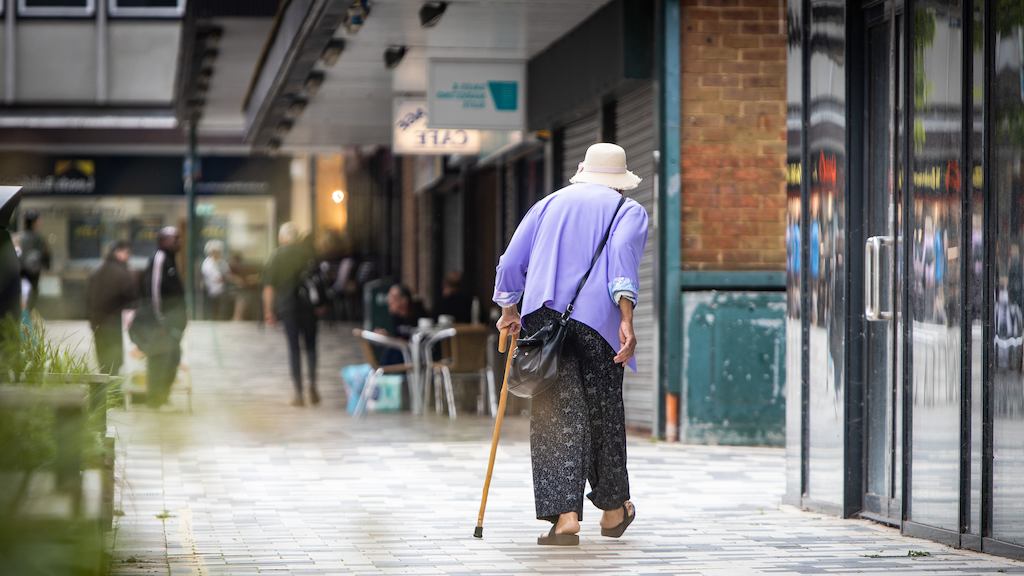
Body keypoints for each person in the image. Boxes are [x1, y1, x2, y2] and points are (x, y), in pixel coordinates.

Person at [493, 142, 648, 546]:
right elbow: (621, 265)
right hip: (600, 325)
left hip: (544, 320)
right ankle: (614, 511)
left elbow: (510, 264)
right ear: (621, 181)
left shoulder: (547, 205)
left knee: (555, 416)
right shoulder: (628, 211)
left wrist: (509, 310)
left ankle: (565, 519)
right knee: (603, 414)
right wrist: (627, 320)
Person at [263, 223, 320, 407]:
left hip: (288, 307)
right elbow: (319, 279)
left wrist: (268, 311)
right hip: (309, 306)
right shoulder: (308, 254)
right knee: (311, 346)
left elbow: (269, 287)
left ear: (282, 238)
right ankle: (312, 383)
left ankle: (298, 393)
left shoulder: (277, 256)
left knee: (294, 348)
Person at [141, 227, 187, 409]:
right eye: (174, 238)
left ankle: (162, 396)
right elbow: (154, 290)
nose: (178, 242)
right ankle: (155, 399)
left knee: (173, 358)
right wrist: (159, 319)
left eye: (179, 238)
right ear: (163, 241)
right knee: (159, 360)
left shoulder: (171, 259)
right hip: (162, 323)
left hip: (173, 323)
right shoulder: (160, 258)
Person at [87, 241, 137, 375]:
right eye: (126, 253)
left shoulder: (97, 271)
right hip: (114, 325)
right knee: (115, 364)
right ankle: (114, 393)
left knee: (103, 363)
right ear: (118, 253)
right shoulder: (122, 273)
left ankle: (102, 393)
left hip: (97, 323)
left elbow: (87, 299)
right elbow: (131, 300)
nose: (128, 257)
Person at [18, 210, 51, 312]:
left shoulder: (19, 237)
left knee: (23, 295)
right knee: (32, 296)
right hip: (33, 273)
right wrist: (47, 265)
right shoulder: (40, 239)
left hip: (21, 272)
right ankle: (27, 317)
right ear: (34, 222)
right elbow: (46, 255)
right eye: (38, 221)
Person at [201, 240, 234, 320]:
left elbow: (228, 273)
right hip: (212, 293)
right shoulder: (207, 264)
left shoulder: (222, 262)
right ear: (210, 252)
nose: (218, 253)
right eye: (216, 251)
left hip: (223, 291)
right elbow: (218, 278)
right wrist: (228, 278)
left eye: (219, 251)